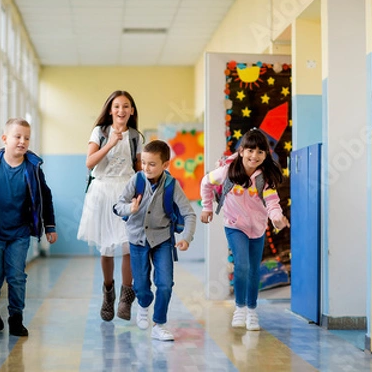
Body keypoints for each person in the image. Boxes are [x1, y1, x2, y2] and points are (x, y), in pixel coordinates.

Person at [0, 117, 58, 337]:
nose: (22, 141)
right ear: (5, 139)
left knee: (16, 276)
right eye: (17, 137)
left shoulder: (33, 168)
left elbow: (45, 196)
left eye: (26, 138)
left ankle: (16, 318)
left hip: (20, 232)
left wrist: (50, 226)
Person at [199, 129, 289, 331]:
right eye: (250, 150)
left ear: (266, 155)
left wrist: (277, 219)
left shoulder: (264, 178)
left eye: (260, 152)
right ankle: (239, 308)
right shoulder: (228, 171)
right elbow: (206, 182)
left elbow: (272, 203)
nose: (254, 156)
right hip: (234, 225)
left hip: (257, 227)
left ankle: (251, 311)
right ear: (241, 151)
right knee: (242, 265)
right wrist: (206, 207)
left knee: (254, 269)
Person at [113, 140, 196, 341]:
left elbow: (189, 214)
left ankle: (159, 324)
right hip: (137, 239)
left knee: (165, 283)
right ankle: (143, 304)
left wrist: (186, 238)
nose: (146, 168)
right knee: (141, 286)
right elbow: (117, 206)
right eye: (143, 163)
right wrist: (130, 209)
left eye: (152, 164)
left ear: (165, 165)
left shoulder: (171, 185)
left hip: (162, 240)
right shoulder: (137, 180)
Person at [77, 90, 141, 322]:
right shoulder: (100, 132)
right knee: (106, 247)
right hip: (102, 192)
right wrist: (111, 143)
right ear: (110, 109)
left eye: (126, 106)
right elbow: (90, 163)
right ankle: (108, 293)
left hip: (126, 192)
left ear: (131, 110)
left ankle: (126, 296)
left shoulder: (136, 136)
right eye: (116, 106)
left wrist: (140, 195)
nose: (121, 111)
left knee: (128, 245)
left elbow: (138, 169)